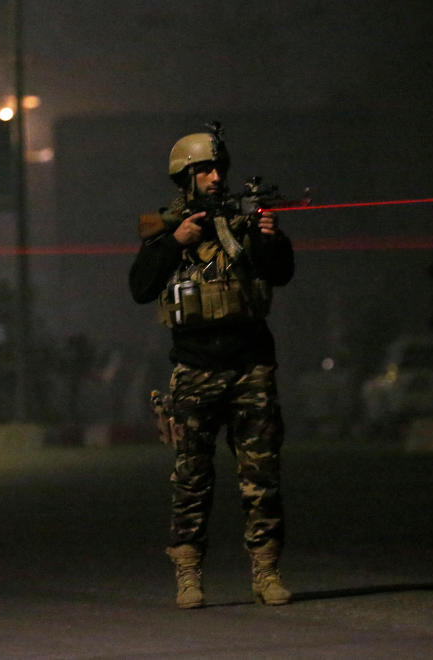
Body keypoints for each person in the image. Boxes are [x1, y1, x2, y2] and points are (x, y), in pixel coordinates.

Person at [129, 123, 295, 609]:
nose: (216, 177)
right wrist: (175, 241)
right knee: (191, 479)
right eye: (204, 170)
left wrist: (269, 236)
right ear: (185, 177)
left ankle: (266, 573)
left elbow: (279, 272)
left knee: (262, 477)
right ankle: (188, 574)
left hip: (251, 366)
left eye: (218, 168)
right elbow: (140, 287)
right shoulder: (169, 229)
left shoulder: (243, 222)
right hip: (196, 368)